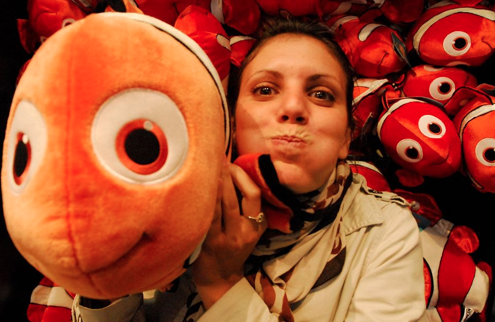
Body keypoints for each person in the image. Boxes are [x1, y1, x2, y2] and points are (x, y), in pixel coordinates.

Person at [71, 16, 426, 321]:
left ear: (346, 139)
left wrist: (220, 282)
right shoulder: (176, 206)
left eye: (321, 94)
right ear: (232, 124)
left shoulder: (384, 232)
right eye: (266, 89)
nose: (292, 107)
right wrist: (105, 279)